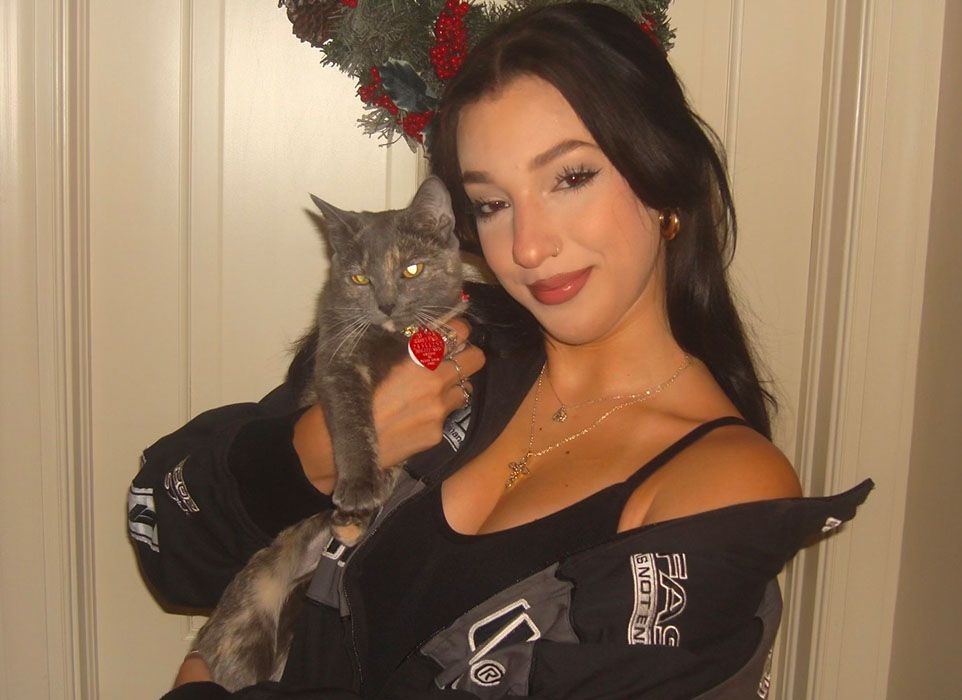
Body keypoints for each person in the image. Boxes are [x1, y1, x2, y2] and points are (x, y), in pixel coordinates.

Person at [131, 5, 872, 698]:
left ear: (663, 181)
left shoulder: (720, 486)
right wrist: (315, 452)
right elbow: (167, 537)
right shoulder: (435, 351)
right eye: (492, 203)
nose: (527, 246)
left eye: (571, 178)